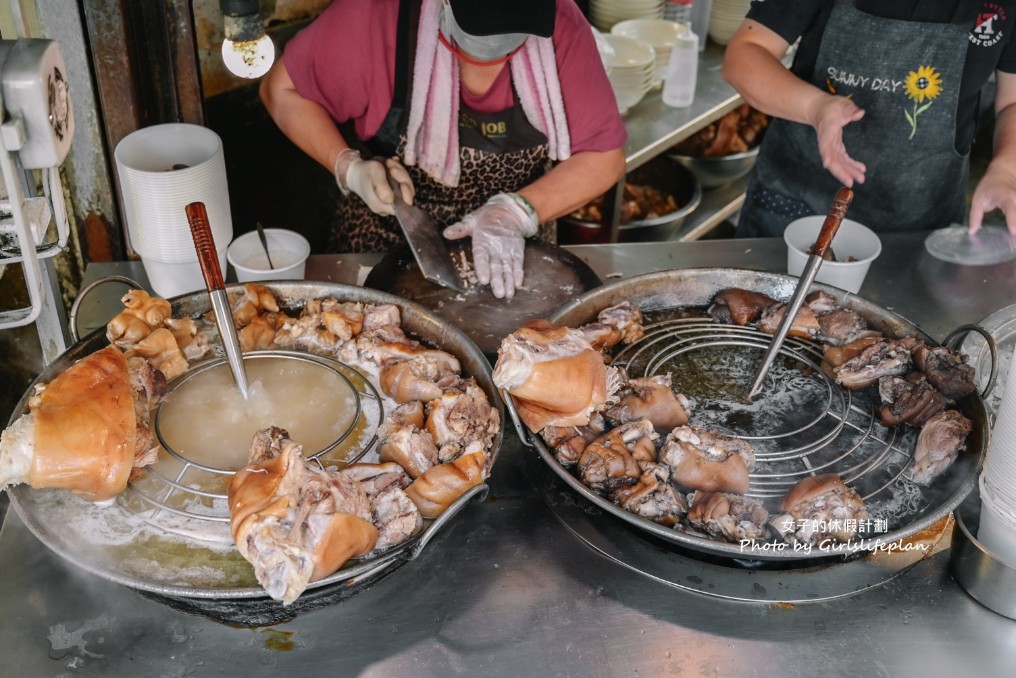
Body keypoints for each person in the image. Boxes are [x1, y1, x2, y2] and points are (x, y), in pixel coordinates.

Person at [260, 0, 626, 298]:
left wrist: (515, 213)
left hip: (514, 260)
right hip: (382, 245)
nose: (495, 52)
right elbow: (281, 91)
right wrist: (348, 168)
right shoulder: (378, 13)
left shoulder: (562, 23)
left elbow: (604, 156)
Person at [721, 1, 1016, 238]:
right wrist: (815, 106)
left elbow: (1012, 102)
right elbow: (745, 54)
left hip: (918, 231)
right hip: (794, 209)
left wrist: (1005, 168)